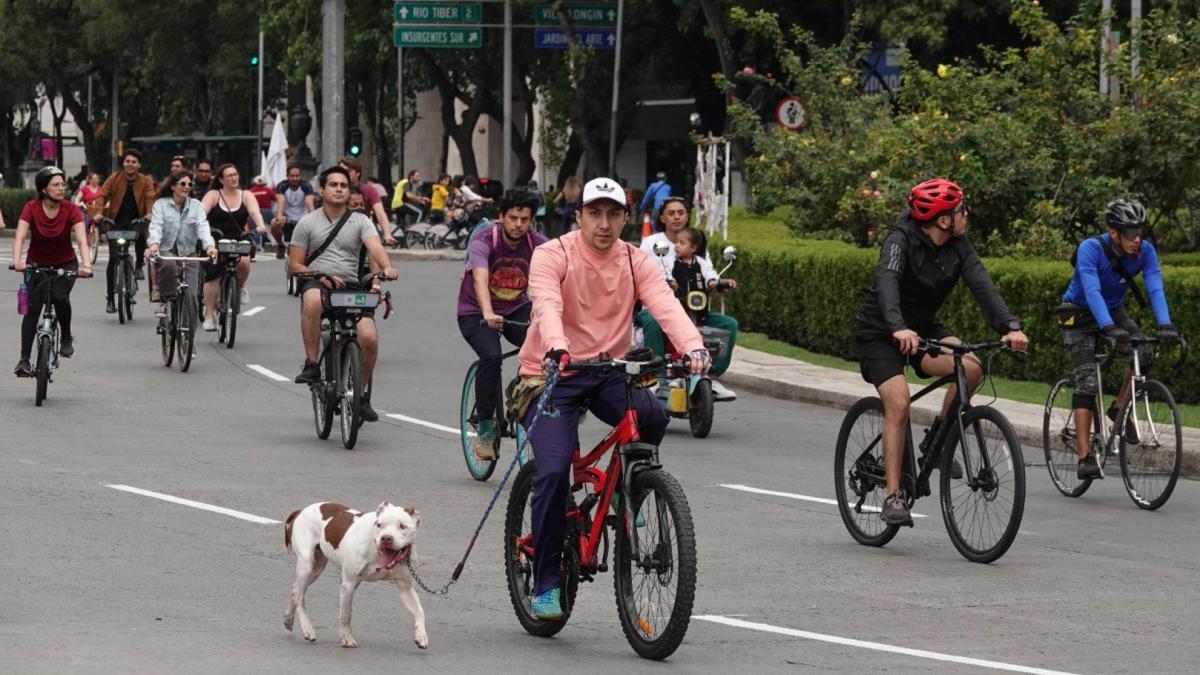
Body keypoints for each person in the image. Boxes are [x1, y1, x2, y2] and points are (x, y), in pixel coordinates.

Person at [517, 177, 709, 620]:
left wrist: (693, 346)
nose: (604, 224)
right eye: (595, 214)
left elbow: (664, 304)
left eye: (613, 214)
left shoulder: (634, 259)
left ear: (626, 218)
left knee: (653, 416)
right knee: (552, 472)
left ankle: (629, 492)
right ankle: (546, 582)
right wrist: (557, 346)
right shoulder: (553, 254)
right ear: (579, 216)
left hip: (608, 370)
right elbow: (545, 302)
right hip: (552, 372)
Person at [854, 178, 1028, 527]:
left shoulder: (958, 247)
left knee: (972, 366)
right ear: (943, 220)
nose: (966, 214)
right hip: (880, 331)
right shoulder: (899, 240)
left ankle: (937, 441)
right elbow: (887, 282)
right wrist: (896, 327)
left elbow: (982, 286)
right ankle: (893, 497)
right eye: (961, 210)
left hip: (920, 329)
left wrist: (1010, 326)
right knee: (899, 402)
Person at [1058, 199, 1177, 478]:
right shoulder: (1090, 248)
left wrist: (1165, 325)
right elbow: (1091, 290)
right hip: (1078, 313)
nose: (1137, 239)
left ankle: (1119, 408)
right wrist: (1108, 328)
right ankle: (1085, 458)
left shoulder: (1144, 251)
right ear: (1113, 233)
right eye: (1129, 234)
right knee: (1086, 381)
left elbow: (1155, 286)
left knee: (1144, 352)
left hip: (1112, 311)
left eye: (1140, 232)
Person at [289, 166, 399, 422]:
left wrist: (387, 267)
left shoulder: (360, 220)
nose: (339, 189)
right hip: (319, 282)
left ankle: (359, 396)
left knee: (369, 338)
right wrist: (319, 276)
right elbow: (295, 265)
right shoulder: (307, 223)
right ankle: (312, 364)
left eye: (343, 185)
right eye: (333, 185)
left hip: (350, 286)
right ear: (322, 190)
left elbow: (375, 247)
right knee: (312, 300)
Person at [458, 189, 548, 459]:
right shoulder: (486, 239)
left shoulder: (538, 244)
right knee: (491, 355)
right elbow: (480, 279)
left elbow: (558, 277)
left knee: (544, 348)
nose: (519, 225)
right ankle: (485, 427)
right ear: (502, 217)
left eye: (525, 219)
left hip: (516, 307)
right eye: (513, 218)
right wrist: (487, 311)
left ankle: (521, 391)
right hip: (475, 310)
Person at [638, 197, 740, 400]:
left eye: (681, 213)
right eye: (671, 213)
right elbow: (639, 272)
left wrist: (719, 283)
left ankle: (711, 376)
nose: (676, 217)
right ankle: (656, 377)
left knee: (729, 324)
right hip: (658, 307)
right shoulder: (651, 243)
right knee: (652, 321)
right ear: (663, 217)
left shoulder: (696, 243)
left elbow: (708, 272)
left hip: (692, 306)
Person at [12, 166, 93, 375]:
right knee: (32, 308)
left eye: (62, 184)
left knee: (59, 297)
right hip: (36, 264)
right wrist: (17, 260)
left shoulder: (71, 209)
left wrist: (86, 264)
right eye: (55, 185)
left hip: (65, 263)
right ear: (44, 190)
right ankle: (24, 360)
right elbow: (20, 236)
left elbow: (82, 239)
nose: (61, 189)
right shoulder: (31, 207)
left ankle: (66, 335)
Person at [200, 164, 268, 330]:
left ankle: (241, 287)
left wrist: (260, 225)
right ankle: (209, 314)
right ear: (221, 179)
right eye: (229, 175)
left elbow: (254, 212)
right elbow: (202, 212)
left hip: (238, 238)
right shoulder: (213, 195)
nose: (234, 178)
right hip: (215, 239)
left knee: (244, 263)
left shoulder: (246, 195)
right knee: (213, 276)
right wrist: (199, 226)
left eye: (235, 174)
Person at [146, 170, 218, 318]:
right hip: (167, 250)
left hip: (188, 252)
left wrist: (210, 246)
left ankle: (188, 323)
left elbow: (203, 226)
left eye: (190, 184)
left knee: (191, 296)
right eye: (183, 184)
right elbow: (156, 226)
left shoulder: (196, 206)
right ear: (173, 186)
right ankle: (164, 303)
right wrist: (154, 244)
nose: (186, 187)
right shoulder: (161, 204)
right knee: (168, 266)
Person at [98, 148, 157, 313]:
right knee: (113, 259)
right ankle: (110, 298)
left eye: (134, 162)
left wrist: (149, 213)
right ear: (124, 163)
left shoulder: (146, 181)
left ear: (139, 165)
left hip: (136, 221)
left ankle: (138, 265)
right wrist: (98, 211)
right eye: (127, 161)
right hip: (115, 223)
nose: (130, 165)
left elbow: (150, 198)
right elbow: (103, 195)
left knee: (141, 235)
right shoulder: (114, 178)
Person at [339, 156, 396, 245]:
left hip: (363, 233)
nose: (344, 174)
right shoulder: (334, 190)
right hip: (339, 233)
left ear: (358, 173)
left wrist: (387, 234)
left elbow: (380, 213)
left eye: (348, 171)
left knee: (375, 252)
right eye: (341, 171)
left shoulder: (369, 190)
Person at [271, 164, 315, 259]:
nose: (295, 178)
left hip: (302, 219)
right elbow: (281, 201)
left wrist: (314, 218)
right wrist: (279, 216)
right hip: (287, 218)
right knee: (274, 223)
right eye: (292, 176)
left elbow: (309, 203)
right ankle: (280, 245)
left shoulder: (306, 186)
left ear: (300, 176)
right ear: (287, 176)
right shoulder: (282, 186)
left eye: (297, 176)